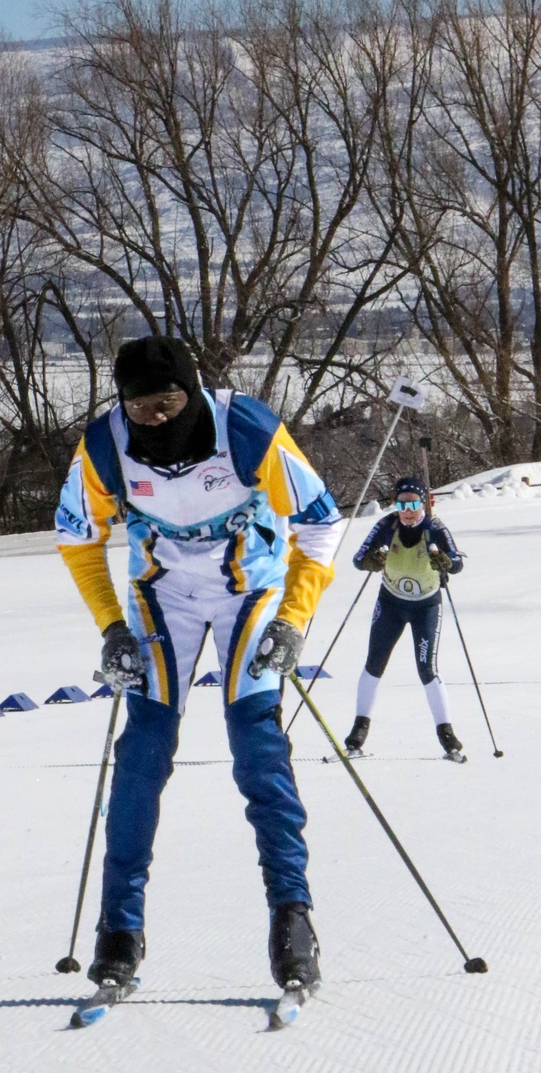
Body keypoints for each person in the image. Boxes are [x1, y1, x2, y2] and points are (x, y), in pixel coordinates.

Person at [55, 336, 343, 994]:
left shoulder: (246, 429)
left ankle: (292, 918)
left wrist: (295, 620)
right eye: (140, 407)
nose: (156, 417)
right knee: (143, 753)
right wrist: (110, 628)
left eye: (169, 402)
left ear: (191, 392)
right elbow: (77, 537)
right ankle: (119, 930)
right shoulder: (105, 447)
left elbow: (322, 523)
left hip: (251, 592)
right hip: (163, 599)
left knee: (257, 747)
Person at [344, 476, 464, 760]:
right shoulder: (387, 526)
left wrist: (445, 562)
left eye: (413, 503)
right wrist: (371, 561)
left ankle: (446, 734)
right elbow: (358, 558)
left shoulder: (434, 528)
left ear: (423, 503)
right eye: (401, 503)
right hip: (391, 604)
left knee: (427, 668)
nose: (407, 509)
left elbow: (457, 562)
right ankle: (358, 731)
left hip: (426, 606)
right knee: (374, 663)